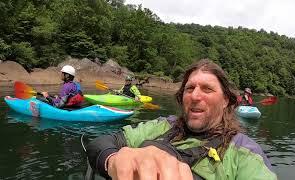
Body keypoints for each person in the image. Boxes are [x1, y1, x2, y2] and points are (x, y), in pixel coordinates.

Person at [85, 59, 277, 180]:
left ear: (226, 100)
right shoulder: (162, 125)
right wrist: (113, 160)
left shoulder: (247, 153)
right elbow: (99, 143)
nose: (194, 96)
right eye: (189, 88)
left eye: (207, 89)